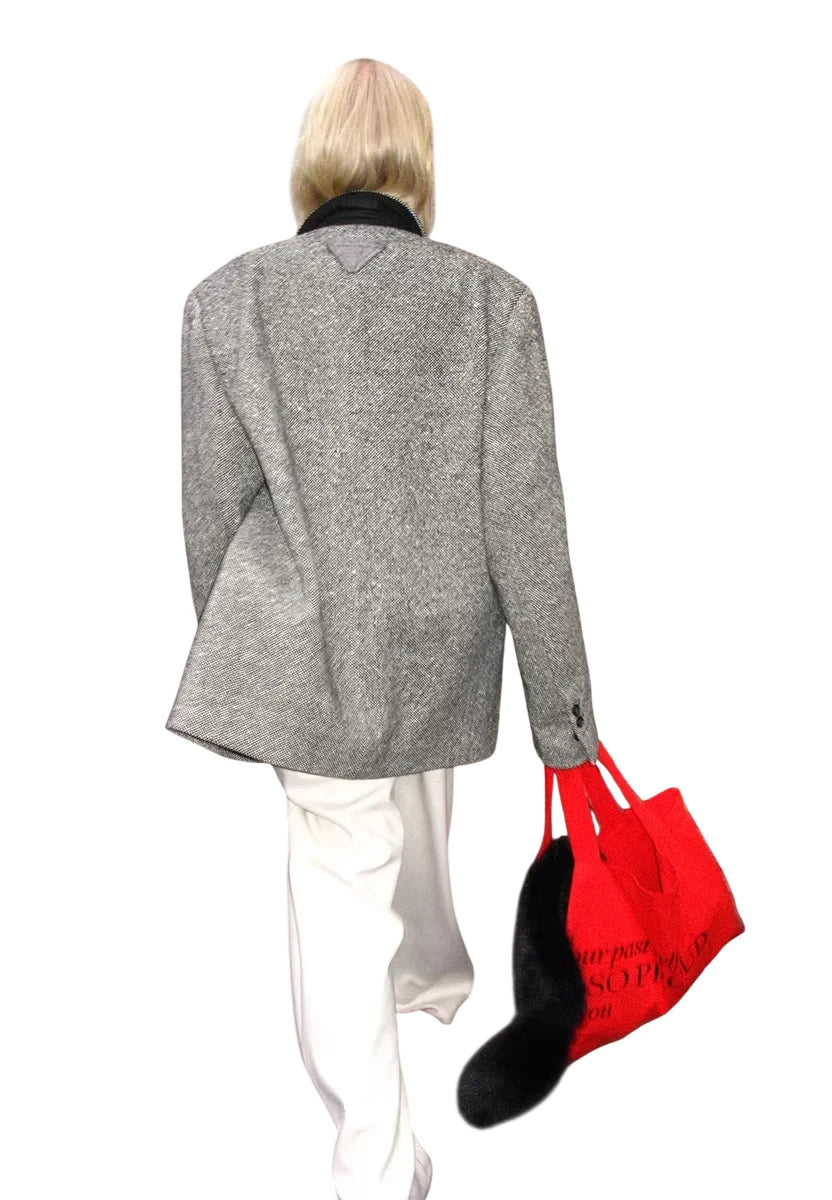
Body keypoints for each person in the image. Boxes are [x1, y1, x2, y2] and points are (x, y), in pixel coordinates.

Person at [165, 56, 598, 1200]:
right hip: (436, 648)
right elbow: (527, 521)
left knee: (348, 886)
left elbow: (213, 514)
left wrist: (251, 663)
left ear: (311, 160)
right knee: (378, 852)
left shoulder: (227, 302)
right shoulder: (493, 304)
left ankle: (409, 1027)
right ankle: (381, 1163)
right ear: (420, 164)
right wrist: (565, 716)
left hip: (299, 646)